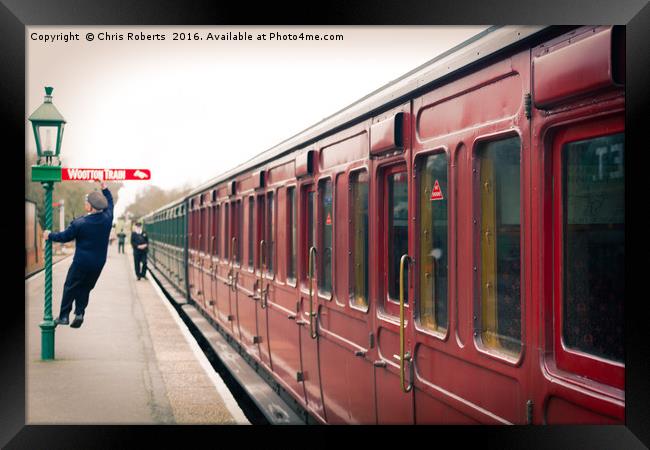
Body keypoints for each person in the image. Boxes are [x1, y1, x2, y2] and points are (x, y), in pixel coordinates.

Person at [44, 181, 113, 328]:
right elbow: (111, 203)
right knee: (85, 287)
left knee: (70, 286)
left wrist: (49, 235)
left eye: (86, 202)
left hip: (81, 262)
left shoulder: (80, 223)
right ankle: (80, 313)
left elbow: (64, 237)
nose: (85, 204)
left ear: (91, 206)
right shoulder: (108, 218)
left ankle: (63, 316)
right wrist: (105, 188)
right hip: (98, 263)